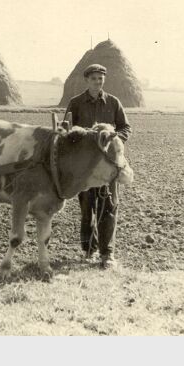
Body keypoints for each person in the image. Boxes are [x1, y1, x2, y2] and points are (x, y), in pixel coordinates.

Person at [65, 64, 132, 269]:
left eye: (100, 79)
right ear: (87, 80)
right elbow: (66, 129)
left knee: (109, 207)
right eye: (94, 78)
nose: (97, 82)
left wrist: (113, 140)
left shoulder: (113, 102)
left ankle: (107, 254)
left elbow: (125, 127)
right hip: (85, 167)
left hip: (109, 166)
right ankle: (88, 250)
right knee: (87, 208)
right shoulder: (76, 103)